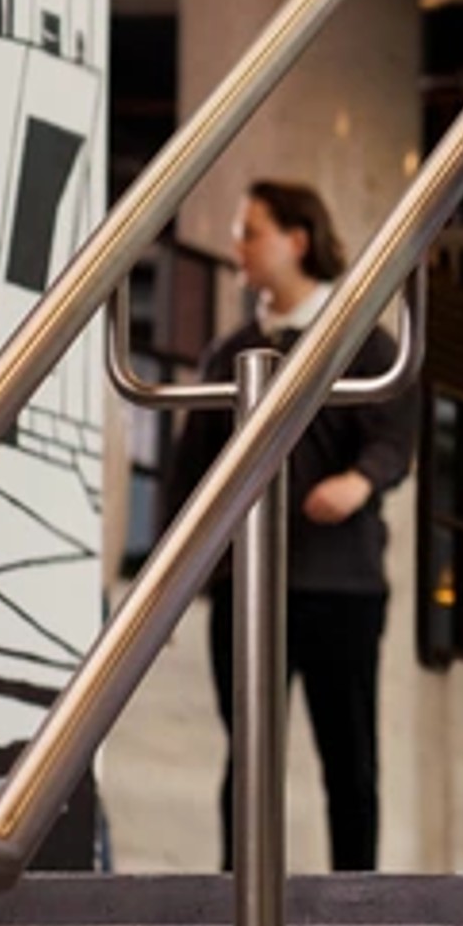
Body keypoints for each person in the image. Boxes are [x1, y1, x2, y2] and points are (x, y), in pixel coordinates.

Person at [153, 178, 413, 873]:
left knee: (349, 761)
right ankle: (238, 900)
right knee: (248, 758)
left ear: (296, 240)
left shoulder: (361, 339)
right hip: (246, 590)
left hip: (341, 588)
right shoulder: (228, 352)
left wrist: (358, 482)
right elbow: (189, 474)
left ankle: (360, 905)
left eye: (250, 230)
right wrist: (168, 583)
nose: (236, 244)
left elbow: (395, 437)